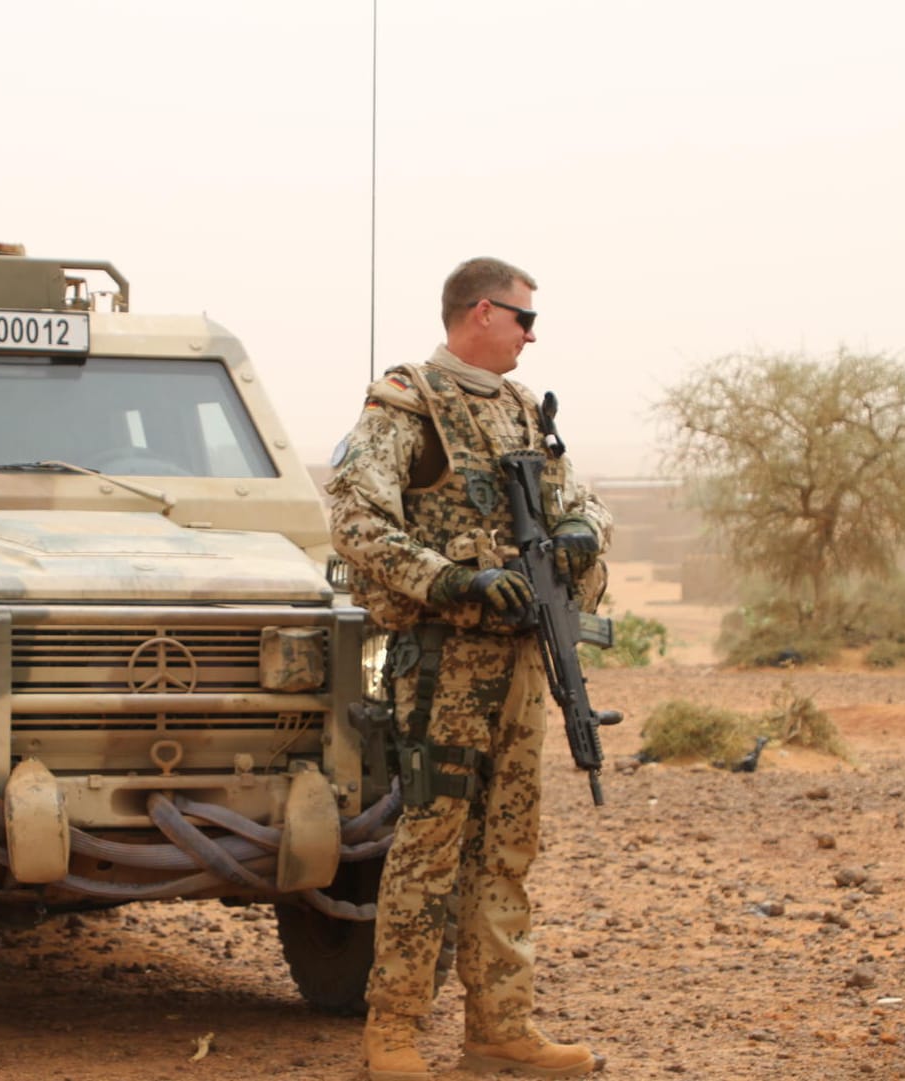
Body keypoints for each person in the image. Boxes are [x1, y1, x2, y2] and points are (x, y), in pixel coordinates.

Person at [326, 257, 610, 1080]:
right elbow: (354, 516)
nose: (531, 334)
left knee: (508, 844)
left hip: (520, 657)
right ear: (480, 312)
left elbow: (577, 500)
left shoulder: (523, 410)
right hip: (445, 659)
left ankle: (499, 1026)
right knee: (431, 843)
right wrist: (450, 579)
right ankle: (393, 1031)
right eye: (524, 318)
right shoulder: (406, 400)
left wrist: (582, 534)